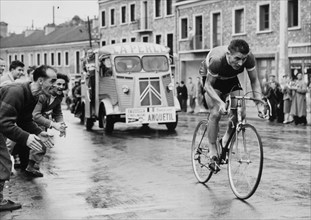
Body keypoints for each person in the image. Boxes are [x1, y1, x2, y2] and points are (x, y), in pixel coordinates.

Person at [199, 39, 265, 173]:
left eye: (244, 59)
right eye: (237, 59)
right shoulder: (217, 60)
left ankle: (224, 141)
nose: (241, 63)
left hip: (231, 80)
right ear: (228, 54)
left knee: (240, 113)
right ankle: (212, 152)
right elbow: (208, 86)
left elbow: (254, 81)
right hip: (212, 81)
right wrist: (220, 102)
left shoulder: (249, 58)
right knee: (216, 112)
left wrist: (259, 104)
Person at [0, 65, 55, 212]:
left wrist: (38, 132)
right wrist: (26, 137)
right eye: (53, 81)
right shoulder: (16, 92)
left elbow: (24, 120)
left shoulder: (33, 95)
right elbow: (4, 122)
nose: (55, 85)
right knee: (3, 161)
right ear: (41, 81)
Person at [26, 73, 69, 177]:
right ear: (52, 84)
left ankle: (31, 167)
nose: (61, 87)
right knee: (10, 145)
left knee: (42, 142)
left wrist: (62, 125)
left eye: (63, 85)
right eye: (58, 84)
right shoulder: (42, 95)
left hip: (38, 121)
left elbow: (57, 113)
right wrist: (53, 124)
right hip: (23, 119)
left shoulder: (59, 96)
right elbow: (35, 115)